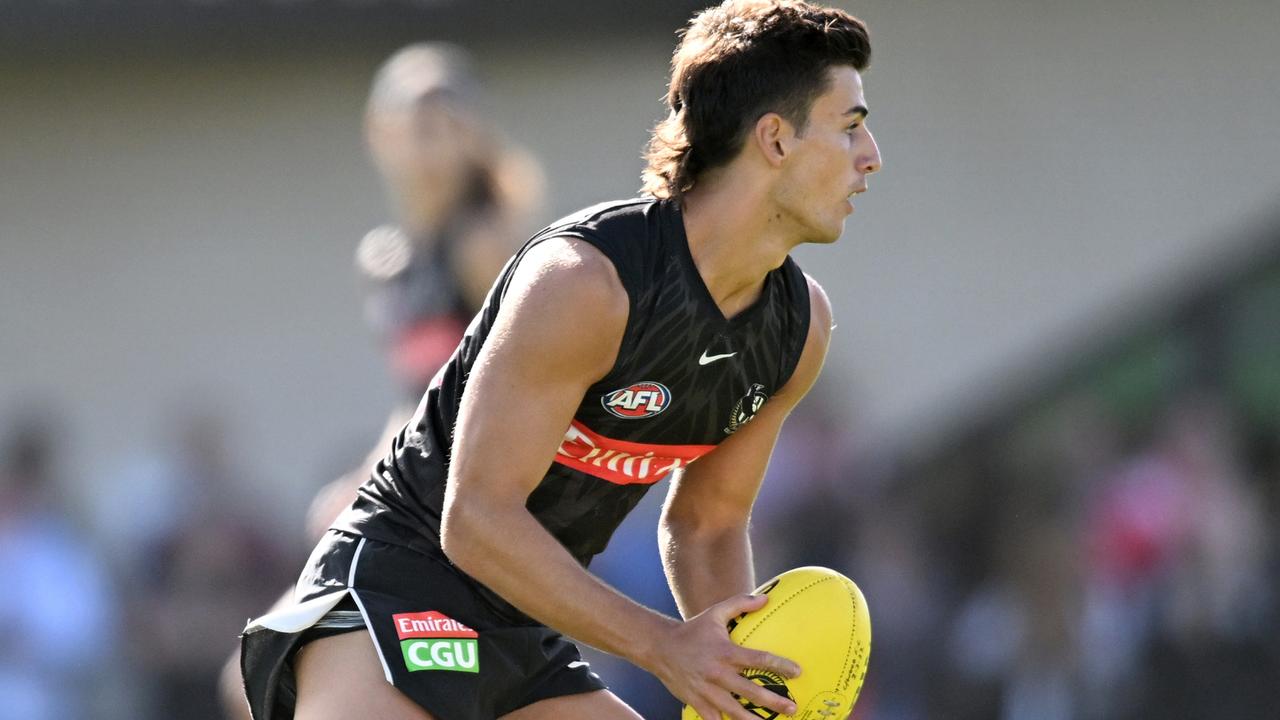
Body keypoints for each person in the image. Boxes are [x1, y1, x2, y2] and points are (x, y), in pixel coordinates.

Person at [240, 1, 881, 718]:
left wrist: (739, 679)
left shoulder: (799, 330)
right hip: (392, 589)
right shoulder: (584, 282)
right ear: (775, 140)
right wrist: (665, 646)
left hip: (520, 631)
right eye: (851, 126)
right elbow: (477, 517)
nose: (871, 156)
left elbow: (708, 526)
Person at [219, 43, 544, 719]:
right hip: (407, 493)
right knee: (256, 678)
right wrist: (365, 474)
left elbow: (509, 382)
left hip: (462, 510)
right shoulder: (388, 260)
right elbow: (415, 394)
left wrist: (373, 478)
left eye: (447, 115)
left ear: (475, 134)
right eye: (413, 116)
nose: (430, 132)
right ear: (380, 133)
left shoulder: (483, 245)